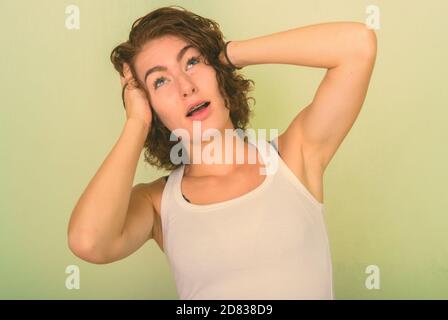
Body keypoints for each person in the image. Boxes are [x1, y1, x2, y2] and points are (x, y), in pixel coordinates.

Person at [67, 6, 377, 300]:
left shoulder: (294, 157)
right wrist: (137, 122)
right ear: (151, 106)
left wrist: (225, 55)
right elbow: (88, 241)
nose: (185, 87)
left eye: (192, 61)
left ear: (217, 74)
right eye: (160, 81)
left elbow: (357, 45)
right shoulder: (158, 204)